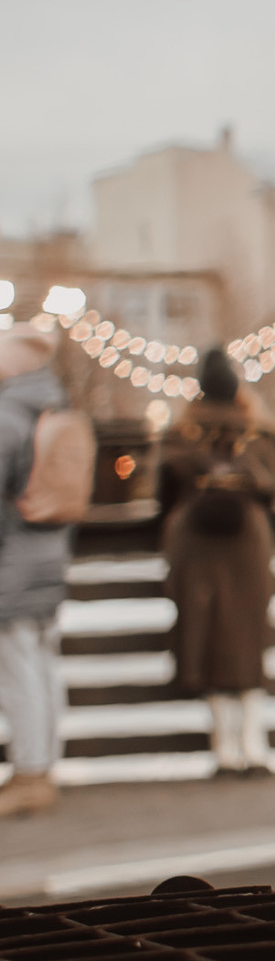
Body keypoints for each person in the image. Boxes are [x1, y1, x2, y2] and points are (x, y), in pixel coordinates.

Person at [161, 349, 275, 778]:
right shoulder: (257, 431)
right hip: (248, 541)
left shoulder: (181, 431)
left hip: (195, 542)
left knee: (205, 632)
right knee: (249, 634)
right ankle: (255, 743)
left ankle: (223, 747)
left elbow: (162, 489)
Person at [0, 326, 74, 817]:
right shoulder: (57, 405)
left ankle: (29, 773)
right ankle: (44, 765)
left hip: (12, 564)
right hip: (49, 558)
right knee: (42, 664)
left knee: (16, 670)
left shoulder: (8, 415)